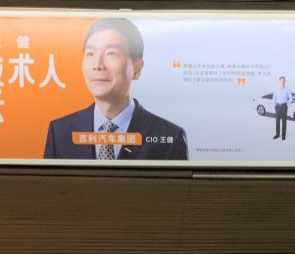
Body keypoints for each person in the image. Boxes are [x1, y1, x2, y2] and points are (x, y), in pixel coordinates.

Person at [43, 18, 188, 160]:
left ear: (137, 68)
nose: (97, 65)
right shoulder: (60, 132)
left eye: (111, 53)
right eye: (90, 54)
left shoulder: (171, 137)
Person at [272, 76, 290, 140]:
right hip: (277, 106)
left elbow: (290, 98)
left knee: (284, 121)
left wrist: (287, 105)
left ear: (285, 82)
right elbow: (274, 98)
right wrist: (275, 105)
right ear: (279, 82)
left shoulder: (287, 89)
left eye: (283, 81)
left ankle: (283, 135)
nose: (282, 82)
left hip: (284, 106)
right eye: (281, 81)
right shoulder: (276, 89)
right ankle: (277, 134)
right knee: (277, 121)